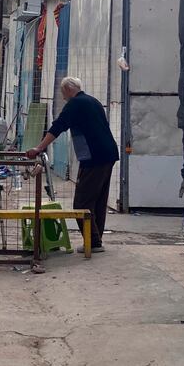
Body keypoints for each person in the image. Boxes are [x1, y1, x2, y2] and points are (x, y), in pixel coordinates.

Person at [25, 76, 119, 253]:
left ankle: (94, 242)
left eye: (63, 93)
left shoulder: (75, 104)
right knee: (98, 199)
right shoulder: (94, 101)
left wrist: (39, 147)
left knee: (82, 202)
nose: (63, 97)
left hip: (95, 157)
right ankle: (94, 241)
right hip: (108, 153)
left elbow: (57, 127)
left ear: (68, 89)